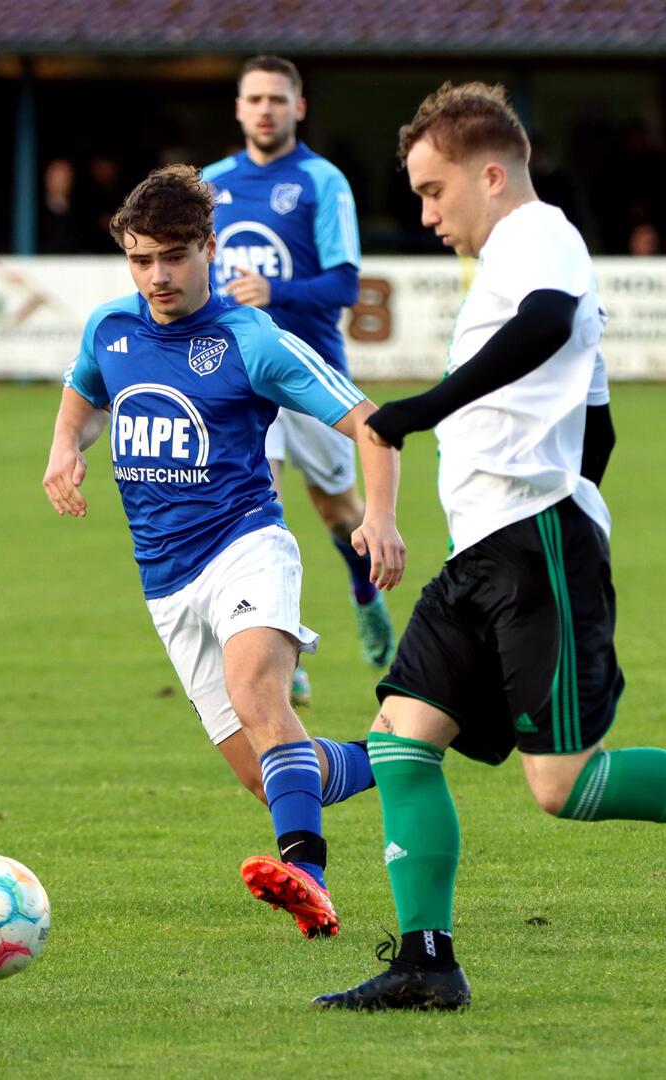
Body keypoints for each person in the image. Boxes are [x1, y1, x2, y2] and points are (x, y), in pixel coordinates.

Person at [313, 82, 666, 1012]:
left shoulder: (541, 238)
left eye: (435, 191)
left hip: (533, 548)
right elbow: (596, 415)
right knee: (402, 740)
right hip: (486, 550)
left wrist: (426, 412)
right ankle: (425, 960)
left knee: (561, 785)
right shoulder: (510, 266)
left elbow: (551, 325)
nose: (427, 212)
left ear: (491, 173)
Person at [40, 165, 407, 938]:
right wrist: (63, 449)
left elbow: (372, 422)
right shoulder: (111, 326)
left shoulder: (253, 341)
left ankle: (307, 875)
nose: (157, 275)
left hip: (246, 547)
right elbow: (83, 388)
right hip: (166, 585)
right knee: (264, 771)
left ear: (210, 247)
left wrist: (380, 516)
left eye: (173, 256)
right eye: (141, 259)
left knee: (259, 697)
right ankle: (411, 747)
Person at [200, 56, 394, 704]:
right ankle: (282, 656)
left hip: (311, 370)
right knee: (259, 512)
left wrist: (272, 289)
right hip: (242, 375)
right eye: (254, 98)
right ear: (238, 107)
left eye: (277, 100)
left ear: (298, 107)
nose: (265, 110)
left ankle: (364, 588)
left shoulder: (321, 181)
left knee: (339, 511)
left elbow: (344, 284)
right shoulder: (211, 184)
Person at [37, 158, 85, 254]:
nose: (60, 182)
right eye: (56, 177)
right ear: (47, 178)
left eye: (64, 178)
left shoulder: (81, 214)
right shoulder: (34, 214)